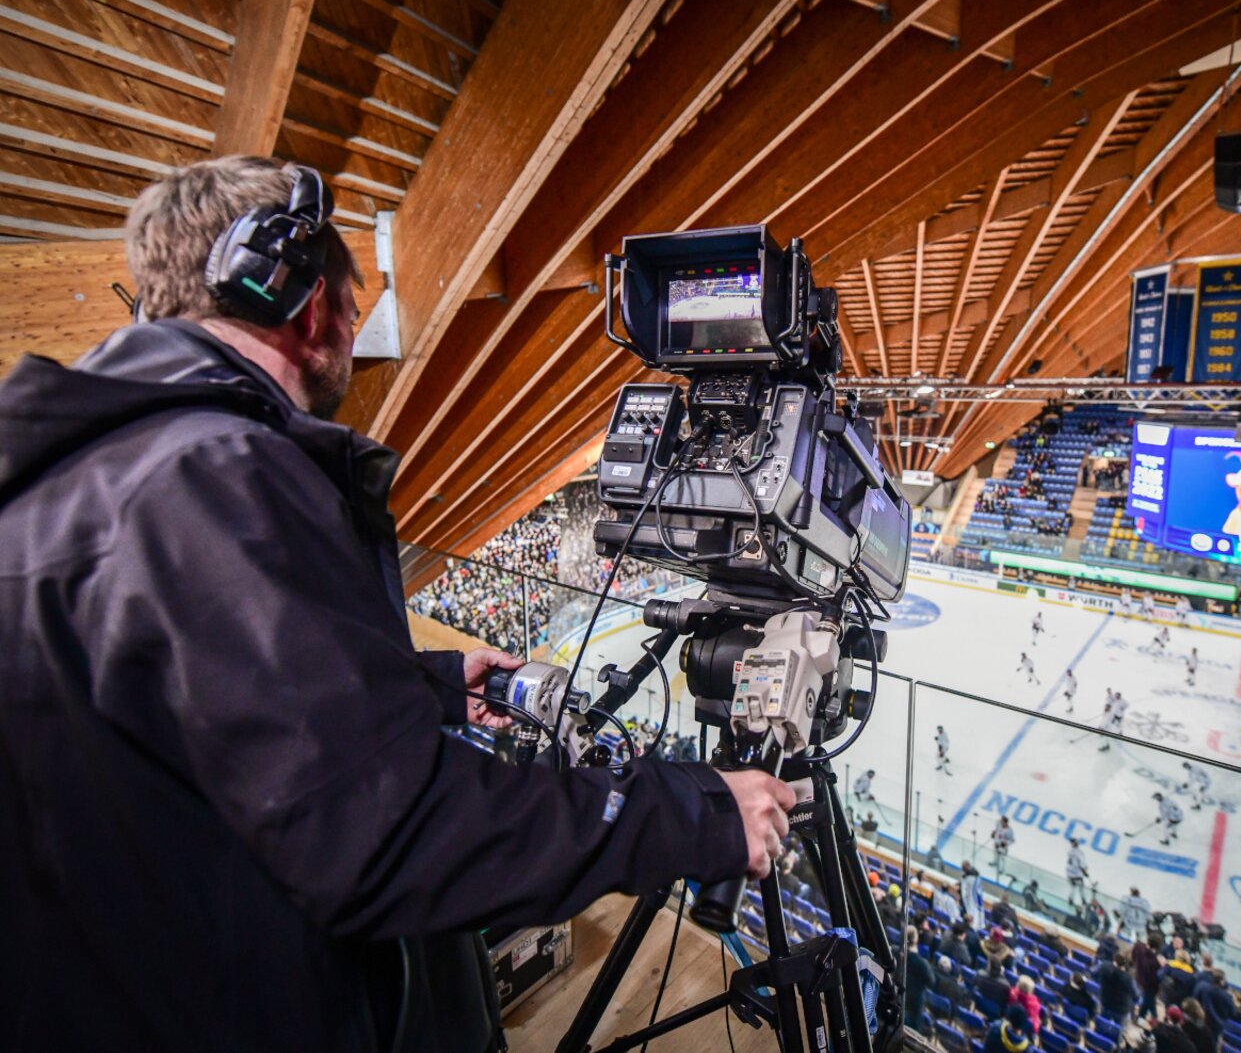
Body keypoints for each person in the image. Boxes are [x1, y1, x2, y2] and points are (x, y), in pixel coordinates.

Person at [0, 156, 796, 1052]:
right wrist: (693, 812)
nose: (356, 320)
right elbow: (393, 832)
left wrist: (416, 688)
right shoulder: (218, 472)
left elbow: (183, 708)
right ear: (304, 300)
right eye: (352, 294)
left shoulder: (73, 480)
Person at [1095, 950, 1138, 1026]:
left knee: (1101, 1026)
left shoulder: (1104, 966)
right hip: (1121, 1009)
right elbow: (1136, 996)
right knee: (1118, 1032)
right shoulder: (1129, 979)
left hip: (1105, 1002)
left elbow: (1093, 973)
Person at [903, 927, 934, 1031]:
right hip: (914, 1002)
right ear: (916, 939)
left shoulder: (895, 952)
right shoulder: (922, 964)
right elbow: (931, 981)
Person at [1066, 837, 1090, 904]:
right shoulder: (1079, 853)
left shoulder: (1070, 851)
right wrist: (1085, 871)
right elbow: (1082, 864)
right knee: (1081, 886)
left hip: (1069, 873)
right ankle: (1083, 900)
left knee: (1073, 886)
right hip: (1076, 874)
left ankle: (1070, 899)